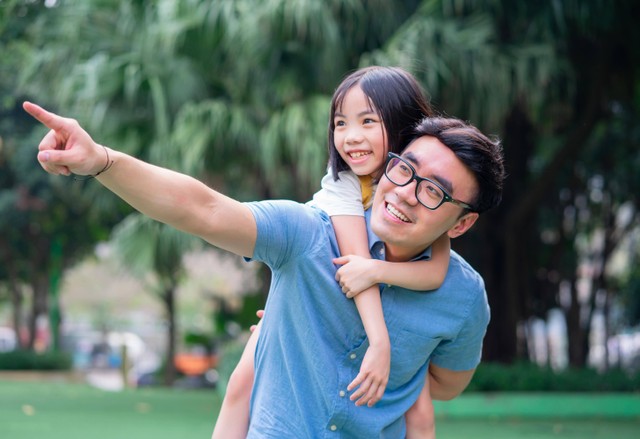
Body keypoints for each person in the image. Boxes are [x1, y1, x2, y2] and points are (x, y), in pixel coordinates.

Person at [23, 89, 504, 437]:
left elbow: (444, 384)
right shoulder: (310, 234)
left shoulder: (462, 297)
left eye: (434, 191)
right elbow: (203, 208)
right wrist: (103, 161)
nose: (405, 193)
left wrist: (401, 358)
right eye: (404, 170)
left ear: (461, 225)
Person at [213, 66, 449, 439]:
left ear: (404, 123)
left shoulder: (421, 188)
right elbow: (356, 266)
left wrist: (377, 273)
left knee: (418, 413)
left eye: (367, 121)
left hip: (374, 312)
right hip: (319, 292)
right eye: (340, 124)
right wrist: (378, 340)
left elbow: (435, 271)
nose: (350, 138)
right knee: (242, 382)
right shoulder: (342, 183)